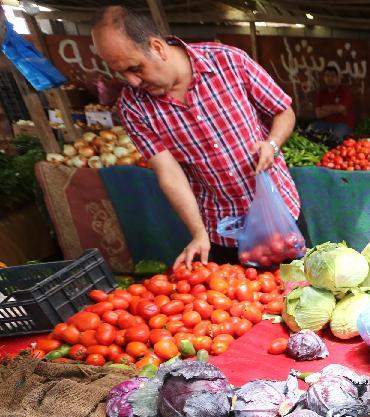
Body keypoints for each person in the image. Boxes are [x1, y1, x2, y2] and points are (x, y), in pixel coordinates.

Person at [90, 6, 301, 270]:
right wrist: (198, 233)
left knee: (297, 293)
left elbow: (283, 111)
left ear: (157, 47)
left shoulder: (229, 62)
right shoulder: (133, 107)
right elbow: (169, 173)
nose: (132, 82)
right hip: (221, 226)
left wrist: (272, 144)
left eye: (136, 68)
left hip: (278, 211)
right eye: (122, 73)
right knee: (244, 304)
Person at [312, 64, 355, 140]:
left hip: (343, 124)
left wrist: (324, 108)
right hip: (326, 123)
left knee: (335, 137)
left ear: (337, 78)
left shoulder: (344, 92)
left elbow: (341, 108)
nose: (330, 78)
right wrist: (336, 109)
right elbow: (318, 114)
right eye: (327, 76)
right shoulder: (322, 93)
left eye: (332, 76)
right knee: (311, 130)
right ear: (324, 78)